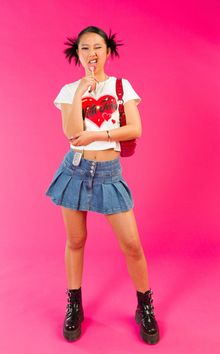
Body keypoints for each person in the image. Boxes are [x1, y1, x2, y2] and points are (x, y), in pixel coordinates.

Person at [45, 26, 160, 345]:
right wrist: (82, 88)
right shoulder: (70, 90)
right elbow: (69, 133)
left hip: (109, 172)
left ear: (108, 51)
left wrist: (98, 135)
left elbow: (134, 127)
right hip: (76, 170)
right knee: (76, 240)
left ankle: (144, 305)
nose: (91, 53)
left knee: (132, 245)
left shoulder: (121, 86)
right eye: (85, 48)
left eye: (97, 47)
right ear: (77, 54)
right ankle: (74, 304)